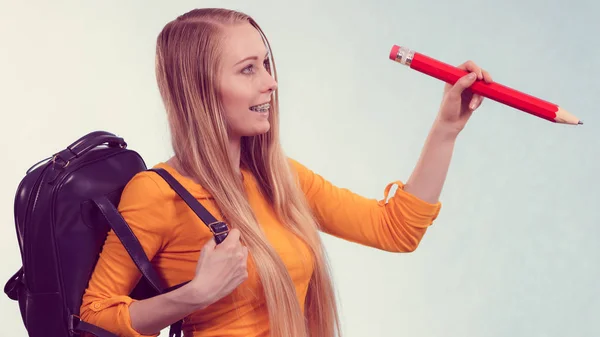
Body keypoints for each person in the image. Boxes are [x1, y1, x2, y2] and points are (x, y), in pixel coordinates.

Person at [79, 7, 493, 337]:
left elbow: (395, 229)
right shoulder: (157, 194)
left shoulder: (278, 178)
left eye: (266, 63)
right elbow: (92, 319)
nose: (271, 82)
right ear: (200, 89)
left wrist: (446, 128)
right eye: (248, 69)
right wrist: (195, 295)